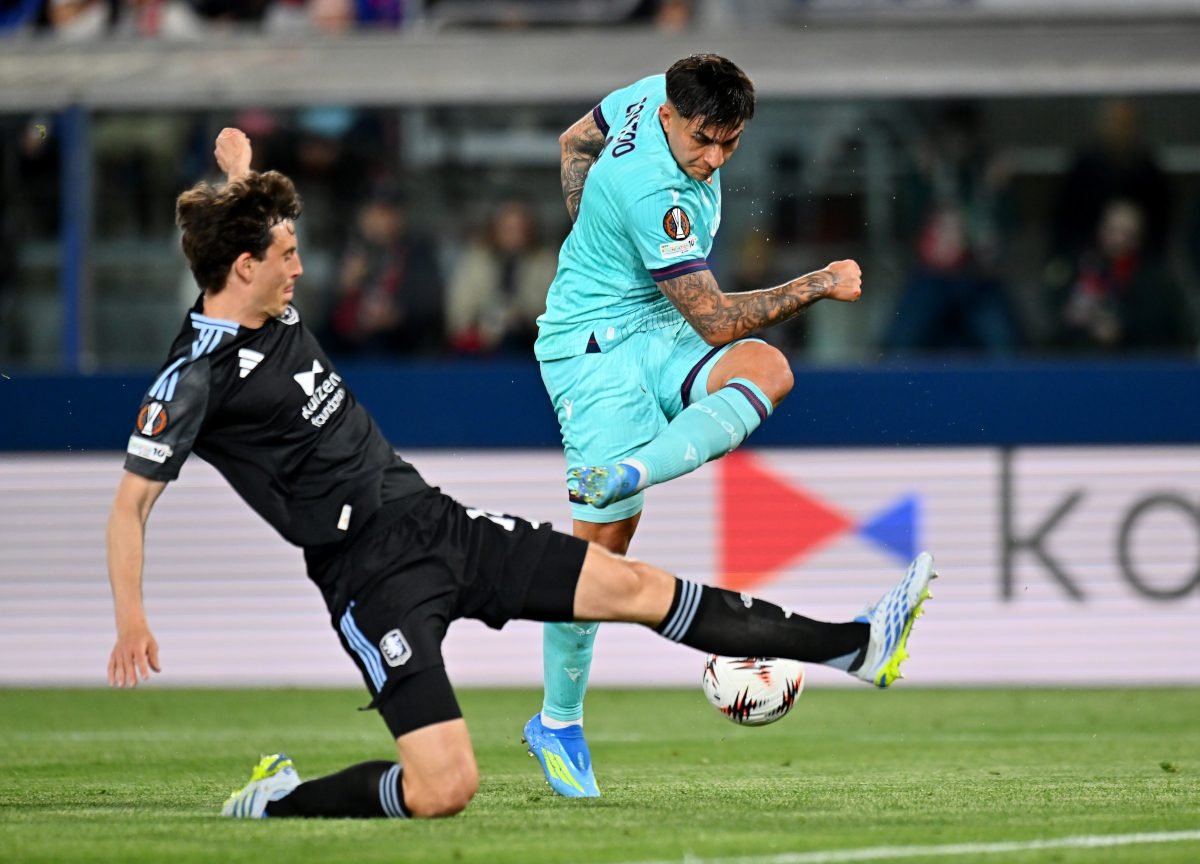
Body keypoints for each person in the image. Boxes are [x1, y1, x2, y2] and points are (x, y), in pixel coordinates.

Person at [106, 128, 936, 821]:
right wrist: (132, 618)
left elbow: (238, 234)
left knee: (634, 586)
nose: (299, 269)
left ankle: (856, 647)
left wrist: (238, 171)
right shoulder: (192, 381)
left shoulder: (262, 293)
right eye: (286, 256)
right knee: (444, 790)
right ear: (243, 268)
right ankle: (279, 802)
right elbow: (129, 508)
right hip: (370, 579)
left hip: (434, 522)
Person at [528, 54, 862, 798]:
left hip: (656, 324)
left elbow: (573, 141)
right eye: (703, 140)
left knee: (770, 371)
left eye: (730, 143)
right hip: (592, 346)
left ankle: (631, 470)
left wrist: (591, 226)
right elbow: (714, 320)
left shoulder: (653, 91)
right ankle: (557, 721)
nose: (714, 158)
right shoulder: (654, 190)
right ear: (670, 118)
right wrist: (819, 281)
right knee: (602, 553)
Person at [445, 199, 558, 355]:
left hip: (530, 345)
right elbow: (458, 311)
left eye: (519, 229)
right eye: (507, 228)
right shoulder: (475, 259)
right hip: (479, 349)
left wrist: (519, 318)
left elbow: (554, 312)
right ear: (494, 229)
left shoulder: (545, 261)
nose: (513, 235)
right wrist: (482, 327)